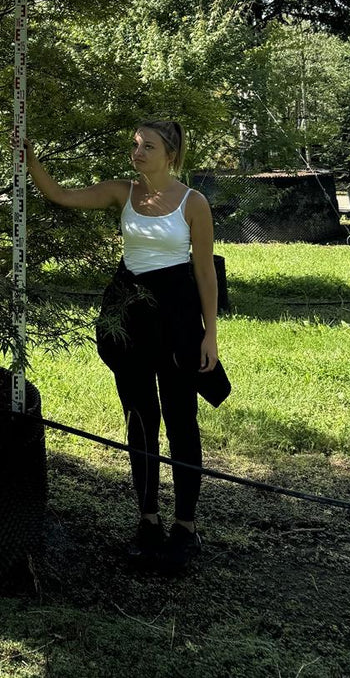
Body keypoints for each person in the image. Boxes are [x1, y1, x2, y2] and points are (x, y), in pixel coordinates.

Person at [25, 120, 221, 572]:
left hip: (175, 318)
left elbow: (205, 272)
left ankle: (186, 527)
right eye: (135, 145)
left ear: (170, 154)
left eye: (147, 147)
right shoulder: (123, 191)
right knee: (139, 416)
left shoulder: (194, 203)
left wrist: (210, 332)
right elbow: (62, 195)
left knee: (181, 420)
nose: (137, 153)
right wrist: (30, 160)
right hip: (129, 314)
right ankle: (148, 519)